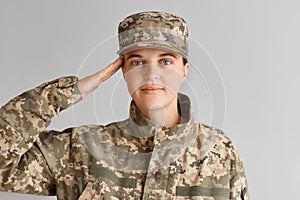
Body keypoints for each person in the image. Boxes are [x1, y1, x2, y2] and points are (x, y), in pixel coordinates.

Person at [0, 11, 249, 200]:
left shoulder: (218, 152)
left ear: (184, 70)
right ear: (122, 71)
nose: (152, 74)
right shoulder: (82, 149)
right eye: (138, 62)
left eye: (165, 61)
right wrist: (72, 90)